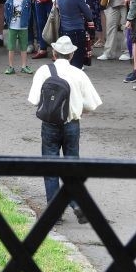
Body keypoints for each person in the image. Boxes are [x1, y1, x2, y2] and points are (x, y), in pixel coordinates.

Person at [27, 36, 102, 224]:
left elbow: (35, 100)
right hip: (72, 125)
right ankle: (76, 203)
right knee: (71, 167)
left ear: (54, 53)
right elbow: (92, 104)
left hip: (50, 125)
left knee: (50, 167)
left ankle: (55, 212)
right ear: (72, 54)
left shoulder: (44, 71)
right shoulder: (79, 74)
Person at [55, 0, 94, 69]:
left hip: (64, 29)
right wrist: (87, 8)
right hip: (77, 30)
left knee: (67, 59)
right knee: (77, 62)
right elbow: (89, 15)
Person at [3, 0, 33, 75]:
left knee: (23, 47)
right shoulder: (9, 1)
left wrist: (26, 22)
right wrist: (8, 22)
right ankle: (11, 66)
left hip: (23, 27)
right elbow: (6, 13)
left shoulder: (27, 1)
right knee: (11, 47)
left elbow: (29, 14)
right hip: (12, 27)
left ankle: (24, 66)